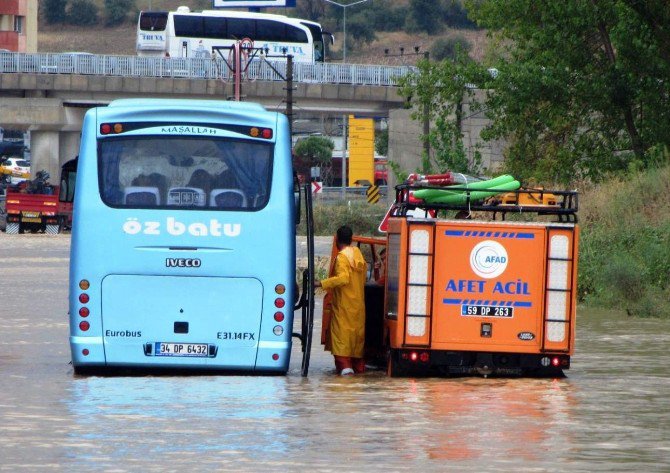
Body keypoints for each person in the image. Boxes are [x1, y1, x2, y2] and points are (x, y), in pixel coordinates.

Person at [315, 225, 367, 376]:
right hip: (357, 307)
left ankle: (345, 376)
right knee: (356, 345)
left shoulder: (342, 257)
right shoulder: (358, 255)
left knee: (341, 344)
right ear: (351, 239)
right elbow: (362, 279)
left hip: (344, 307)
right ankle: (358, 373)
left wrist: (321, 283)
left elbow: (343, 278)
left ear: (337, 239)